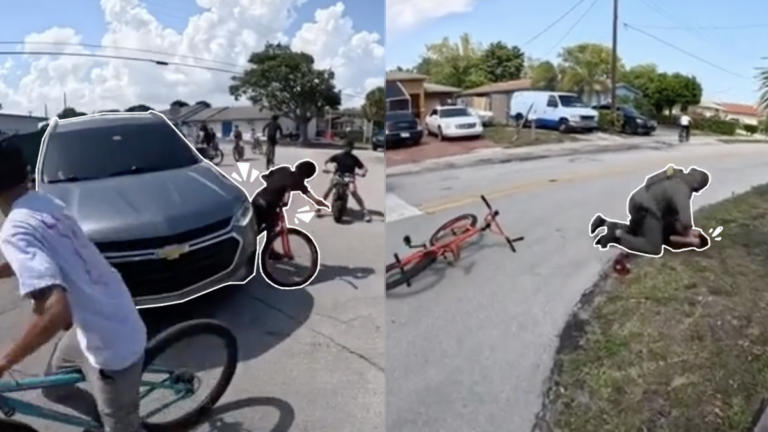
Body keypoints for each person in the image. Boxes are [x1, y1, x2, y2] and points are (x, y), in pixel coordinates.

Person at [0, 143, 147, 432]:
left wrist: (5, 362)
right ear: (25, 174)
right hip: (96, 319)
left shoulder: (15, 230)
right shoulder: (42, 204)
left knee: (124, 427)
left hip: (112, 344)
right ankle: (103, 420)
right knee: (53, 389)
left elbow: (55, 312)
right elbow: (46, 256)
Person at [590, 166, 711, 256]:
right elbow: (685, 222)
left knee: (638, 232)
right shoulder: (682, 189)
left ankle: (605, 223)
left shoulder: (676, 175)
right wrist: (688, 233)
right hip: (646, 209)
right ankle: (615, 237)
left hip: (637, 200)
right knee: (654, 248)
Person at [251, 160, 330, 246]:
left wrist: (280, 185)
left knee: (256, 228)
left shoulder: (283, 169)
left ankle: (267, 251)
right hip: (268, 204)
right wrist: (324, 205)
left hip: (258, 198)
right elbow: (315, 200)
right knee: (270, 229)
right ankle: (264, 253)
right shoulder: (298, 182)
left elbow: (265, 177)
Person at [318, 139, 371, 222]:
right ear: (343, 147)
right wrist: (325, 167)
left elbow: (363, 168)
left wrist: (363, 172)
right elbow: (327, 161)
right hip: (338, 175)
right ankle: (318, 207)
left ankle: (365, 212)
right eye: (345, 146)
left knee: (353, 191)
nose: (347, 148)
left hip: (349, 177)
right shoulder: (338, 156)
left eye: (348, 147)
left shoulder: (354, 158)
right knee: (329, 188)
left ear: (351, 148)